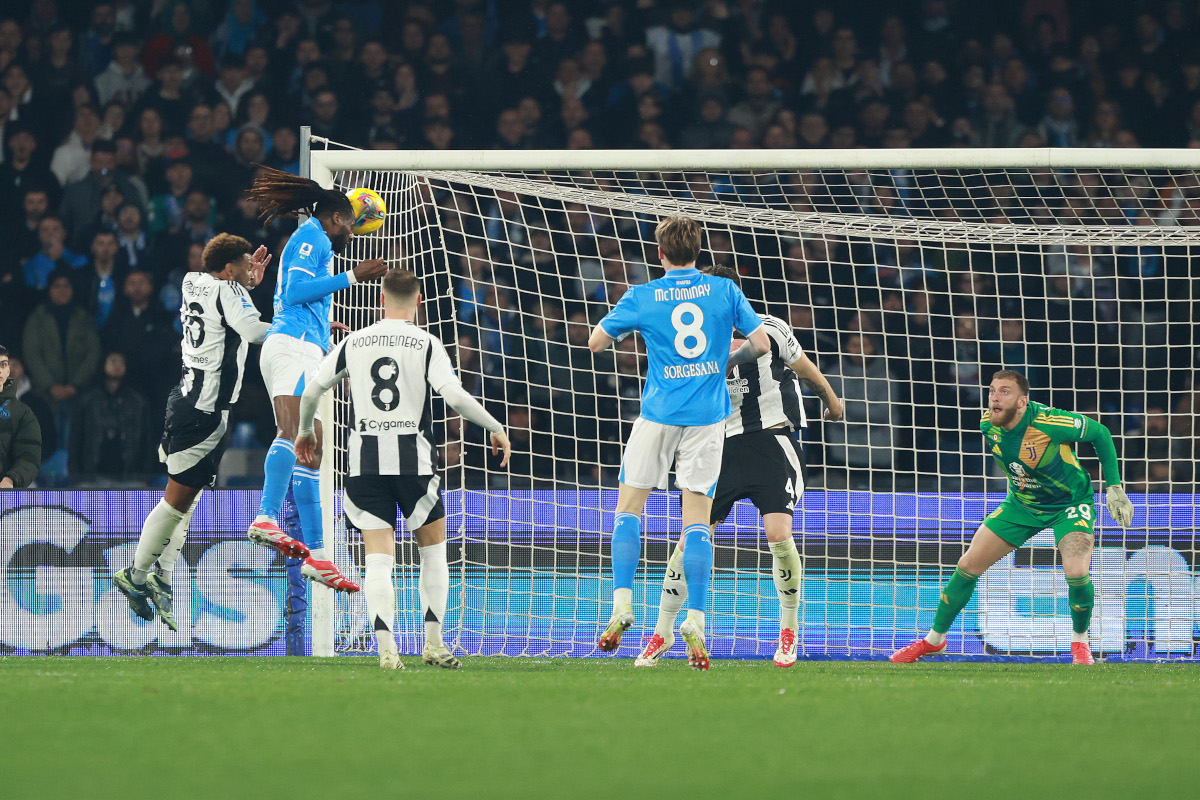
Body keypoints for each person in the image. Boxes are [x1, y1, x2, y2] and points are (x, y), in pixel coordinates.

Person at [294, 269, 512, 670]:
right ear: (419, 301)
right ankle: (433, 644)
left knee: (378, 560)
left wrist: (305, 431)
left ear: (380, 300)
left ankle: (387, 651)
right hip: (415, 461)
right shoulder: (426, 343)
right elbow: (455, 397)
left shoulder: (353, 342)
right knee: (433, 552)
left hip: (364, 463)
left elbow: (311, 391)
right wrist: (494, 427)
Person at [638, 265, 844, 669]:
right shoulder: (689, 343)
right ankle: (662, 632)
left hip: (771, 439)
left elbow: (807, 370)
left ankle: (788, 631)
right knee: (689, 540)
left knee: (777, 532)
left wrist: (832, 401)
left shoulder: (771, 328)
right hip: (715, 446)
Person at [587, 216, 769, 670]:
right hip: (707, 420)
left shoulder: (643, 295)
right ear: (699, 251)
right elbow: (762, 343)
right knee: (696, 523)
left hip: (657, 416)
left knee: (628, 510)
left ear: (660, 253)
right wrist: (727, 360)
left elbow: (595, 343)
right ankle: (695, 617)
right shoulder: (723, 291)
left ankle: (622, 604)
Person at [890, 370, 1134, 666]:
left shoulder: (1048, 422)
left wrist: (1114, 487)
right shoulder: (986, 424)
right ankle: (934, 641)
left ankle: (1080, 642)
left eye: (1004, 391)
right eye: (992, 390)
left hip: (1068, 504)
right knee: (968, 565)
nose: (994, 396)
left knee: (1076, 572)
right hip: (1022, 504)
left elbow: (1100, 433)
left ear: (1022, 401)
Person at [112, 234, 272, 630]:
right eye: (248, 264)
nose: (254, 269)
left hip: (184, 399)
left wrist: (248, 284)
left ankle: (162, 577)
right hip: (204, 412)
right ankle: (134, 575)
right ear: (231, 269)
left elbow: (230, 309)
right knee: (175, 502)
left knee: (188, 500)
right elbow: (254, 333)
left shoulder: (190, 280)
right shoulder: (229, 292)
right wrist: (305, 330)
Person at [243, 166, 388, 592]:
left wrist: (327, 322)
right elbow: (293, 293)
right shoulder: (314, 237)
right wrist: (352, 277)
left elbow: (305, 296)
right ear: (339, 218)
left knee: (312, 449)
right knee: (292, 432)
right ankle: (266, 516)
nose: (352, 238)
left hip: (307, 343)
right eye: (355, 228)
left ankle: (319, 557)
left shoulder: (317, 238)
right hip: (291, 345)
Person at [0, 345, 43, 489]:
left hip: (8, 492)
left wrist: (11, 479)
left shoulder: (24, 413)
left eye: (4, 365)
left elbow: (29, 456)